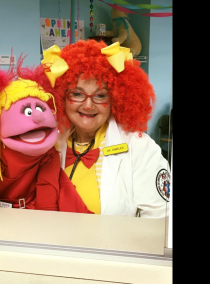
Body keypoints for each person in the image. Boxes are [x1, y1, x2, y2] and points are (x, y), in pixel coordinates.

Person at [41, 39, 170, 218]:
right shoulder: (47, 143)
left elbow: (160, 220)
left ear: (116, 99)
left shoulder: (140, 148)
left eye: (100, 95)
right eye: (77, 94)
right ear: (62, 96)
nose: (88, 105)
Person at [0, 53, 92, 214]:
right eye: (28, 111)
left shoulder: (48, 154)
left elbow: (47, 198)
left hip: (30, 214)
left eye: (40, 108)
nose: (38, 116)